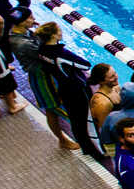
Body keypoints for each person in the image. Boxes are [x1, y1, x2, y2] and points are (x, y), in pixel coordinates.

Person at [27, 22, 88, 151]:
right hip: (70, 88)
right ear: (54, 35)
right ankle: (85, 145)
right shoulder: (59, 53)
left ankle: (77, 141)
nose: (62, 32)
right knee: (76, 117)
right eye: (59, 30)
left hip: (59, 85)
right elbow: (86, 65)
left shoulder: (41, 49)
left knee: (65, 115)